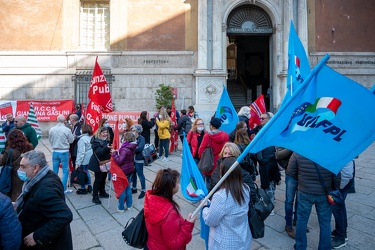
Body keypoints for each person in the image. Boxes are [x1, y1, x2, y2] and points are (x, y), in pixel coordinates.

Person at [15, 150, 73, 250]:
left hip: (50, 245)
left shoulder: (45, 190)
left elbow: (64, 216)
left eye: (23, 166)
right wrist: (18, 205)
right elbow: (37, 202)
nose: (19, 169)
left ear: (36, 168)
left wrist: (37, 237)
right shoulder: (45, 175)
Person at [288, 152, 340, 250]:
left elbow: (291, 171)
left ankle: (300, 247)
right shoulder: (331, 153)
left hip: (304, 191)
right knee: (325, 222)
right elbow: (337, 175)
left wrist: (302, 179)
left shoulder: (299, 151)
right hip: (324, 193)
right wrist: (333, 188)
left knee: (302, 220)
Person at [202, 157, 252, 250]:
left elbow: (210, 221)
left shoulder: (221, 196)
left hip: (225, 243)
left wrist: (205, 207)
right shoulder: (245, 188)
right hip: (243, 239)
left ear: (223, 173)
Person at [144, 168, 196, 249]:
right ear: (170, 187)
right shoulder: (169, 214)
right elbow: (175, 245)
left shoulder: (151, 200)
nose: (179, 184)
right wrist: (188, 225)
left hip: (152, 246)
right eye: (177, 182)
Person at [256, 112, 280, 215]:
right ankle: (269, 201)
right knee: (266, 184)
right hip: (264, 162)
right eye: (260, 118)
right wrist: (260, 159)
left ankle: (270, 206)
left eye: (263, 119)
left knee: (271, 184)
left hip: (272, 162)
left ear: (269, 119)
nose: (260, 120)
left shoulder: (274, 130)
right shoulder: (261, 130)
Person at [0, 129, 33, 201]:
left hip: (14, 176)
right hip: (28, 173)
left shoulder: (10, 151)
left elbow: (2, 163)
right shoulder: (30, 147)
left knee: (15, 193)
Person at [198, 117, 229, 187]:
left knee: (209, 184)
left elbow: (201, 150)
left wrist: (203, 158)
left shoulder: (207, 136)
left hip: (210, 164)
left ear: (211, 126)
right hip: (222, 163)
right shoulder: (226, 135)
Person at [331, 160, 355, 249]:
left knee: (337, 208)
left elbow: (347, 174)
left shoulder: (344, 153)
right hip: (341, 181)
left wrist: (338, 188)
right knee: (340, 207)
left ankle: (341, 238)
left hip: (341, 183)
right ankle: (341, 231)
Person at [112, 132, 137, 212]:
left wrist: (114, 153)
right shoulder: (131, 147)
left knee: (122, 189)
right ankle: (129, 205)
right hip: (130, 169)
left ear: (126, 139)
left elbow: (119, 161)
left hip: (124, 171)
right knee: (127, 187)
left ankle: (121, 207)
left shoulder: (124, 149)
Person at [49, 115, 74, 193]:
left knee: (55, 171)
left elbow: (50, 139)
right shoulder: (67, 130)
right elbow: (71, 140)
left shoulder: (51, 129)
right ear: (65, 121)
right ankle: (63, 189)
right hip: (64, 151)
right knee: (65, 171)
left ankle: (54, 187)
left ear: (56, 121)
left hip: (55, 151)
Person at [276, 147, 297, 239]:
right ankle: (288, 224)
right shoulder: (289, 136)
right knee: (289, 200)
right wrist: (294, 146)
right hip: (291, 174)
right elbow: (278, 154)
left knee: (300, 200)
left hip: (304, 174)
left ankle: (297, 220)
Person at [89, 127, 113, 205]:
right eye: (103, 132)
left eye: (106, 132)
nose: (105, 134)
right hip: (98, 163)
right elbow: (99, 152)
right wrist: (107, 148)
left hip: (105, 162)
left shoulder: (106, 140)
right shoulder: (96, 141)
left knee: (103, 178)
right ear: (99, 133)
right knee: (98, 180)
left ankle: (102, 192)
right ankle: (95, 196)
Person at [75, 124, 94, 194]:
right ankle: (89, 185)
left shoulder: (82, 139)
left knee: (83, 173)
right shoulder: (91, 137)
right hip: (90, 158)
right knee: (87, 172)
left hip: (84, 159)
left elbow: (81, 152)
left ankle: (83, 187)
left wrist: (78, 162)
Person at [130, 124, 146, 199]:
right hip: (132, 159)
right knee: (133, 174)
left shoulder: (141, 138)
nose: (132, 132)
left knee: (140, 174)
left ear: (138, 131)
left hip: (139, 159)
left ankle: (143, 190)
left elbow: (140, 148)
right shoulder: (132, 138)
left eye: (133, 130)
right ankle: (134, 188)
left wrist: (131, 149)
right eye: (132, 130)